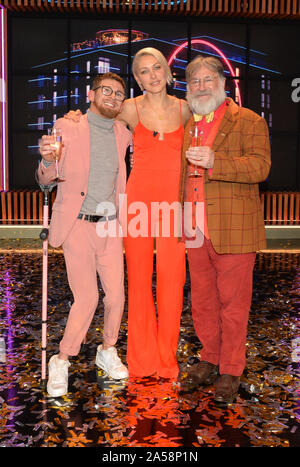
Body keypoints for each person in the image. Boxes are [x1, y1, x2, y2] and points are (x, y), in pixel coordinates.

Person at [64, 47, 191, 379]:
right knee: (136, 283)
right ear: (137, 79)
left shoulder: (185, 109)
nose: (151, 75)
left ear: (166, 71)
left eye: (156, 68)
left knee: (172, 283)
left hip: (173, 209)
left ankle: (166, 359)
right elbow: (96, 121)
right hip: (135, 207)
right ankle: (141, 357)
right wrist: (73, 117)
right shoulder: (129, 109)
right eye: (143, 71)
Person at [180, 55, 271, 403]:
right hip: (196, 230)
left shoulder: (248, 120)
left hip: (233, 227)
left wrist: (217, 162)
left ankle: (231, 368)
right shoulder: (191, 124)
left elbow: (261, 166)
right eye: (195, 82)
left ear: (222, 82)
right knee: (202, 302)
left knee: (233, 304)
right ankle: (210, 358)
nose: (202, 86)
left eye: (208, 79)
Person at [37, 72, 132, 397]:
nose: (113, 97)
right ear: (92, 94)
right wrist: (47, 160)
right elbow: (47, 180)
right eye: (107, 90)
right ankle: (61, 359)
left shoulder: (123, 133)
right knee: (88, 298)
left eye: (119, 94)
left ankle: (107, 350)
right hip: (77, 224)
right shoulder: (69, 127)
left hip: (110, 225)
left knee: (117, 297)